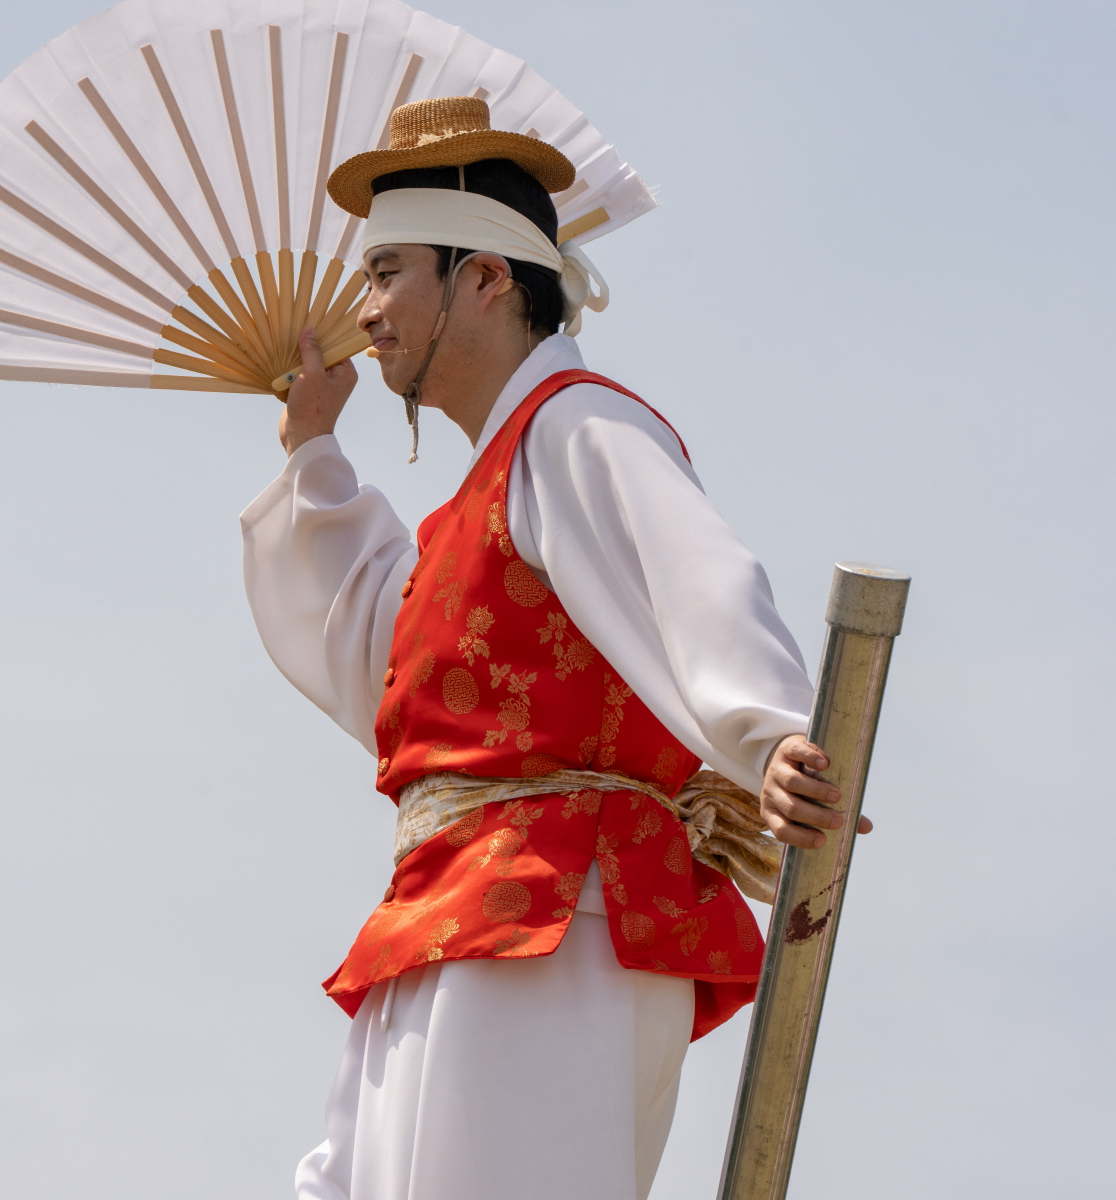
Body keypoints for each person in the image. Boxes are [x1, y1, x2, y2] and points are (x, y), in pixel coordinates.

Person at [239, 97, 863, 1200]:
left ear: (485, 276)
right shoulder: (480, 500)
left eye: (388, 272)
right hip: (459, 911)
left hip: (563, 908)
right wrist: (314, 454)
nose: (366, 311)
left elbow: (693, 568)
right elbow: (381, 652)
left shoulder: (576, 423)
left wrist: (767, 737)